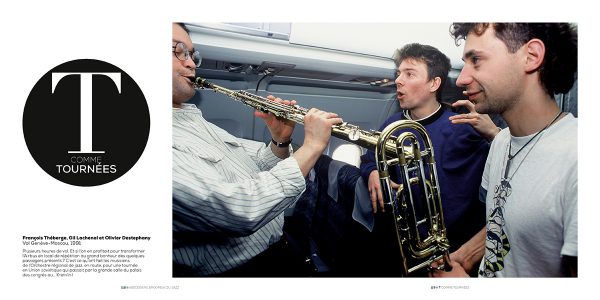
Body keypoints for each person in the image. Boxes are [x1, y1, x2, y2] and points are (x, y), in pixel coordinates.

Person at [171, 22, 343, 276]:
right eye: (178, 51)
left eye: (191, 54)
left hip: (277, 248)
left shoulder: (188, 116)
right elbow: (241, 210)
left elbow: (254, 172)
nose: (192, 63)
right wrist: (313, 146)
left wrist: (280, 141)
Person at [433, 23, 577, 277]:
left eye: (476, 60)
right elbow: (503, 220)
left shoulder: (578, 157)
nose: (462, 79)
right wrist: (464, 257)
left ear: (530, 57)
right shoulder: (500, 143)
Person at [359, 43, 492, 260]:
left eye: (409, 74)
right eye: (398, 73)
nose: (398, 80)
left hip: (452, 245)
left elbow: (507, 164)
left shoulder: (463, 126)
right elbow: (368, 159)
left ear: (434, 83)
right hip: (403, 241)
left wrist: (493, 133)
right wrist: (373, 172)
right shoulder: (391, 125)